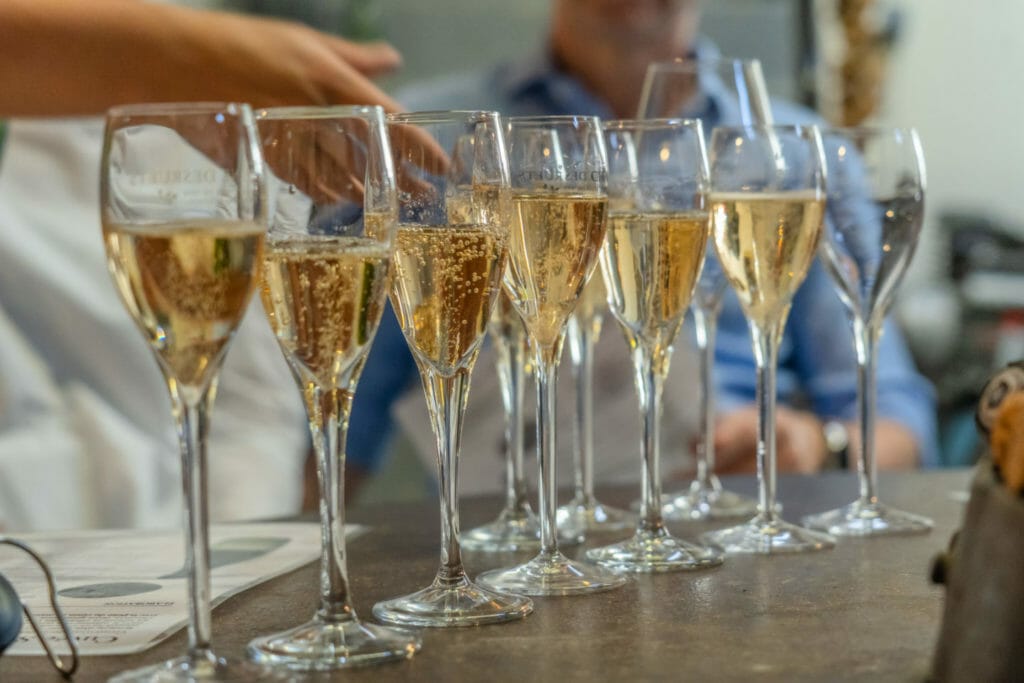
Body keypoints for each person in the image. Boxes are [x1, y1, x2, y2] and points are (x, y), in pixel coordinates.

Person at [348, 0, 939, 495]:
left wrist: (818, 446)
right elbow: (345, 406)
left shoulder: (796, 152)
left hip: (729, 524)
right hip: (501, 542)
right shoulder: (426, 134)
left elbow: (895, 412)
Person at [0, 0, 405, 530]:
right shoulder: (191, 72)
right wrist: (179, 54)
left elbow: (250, 406)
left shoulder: (200, 118)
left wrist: (235, 575)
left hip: (148, 543)